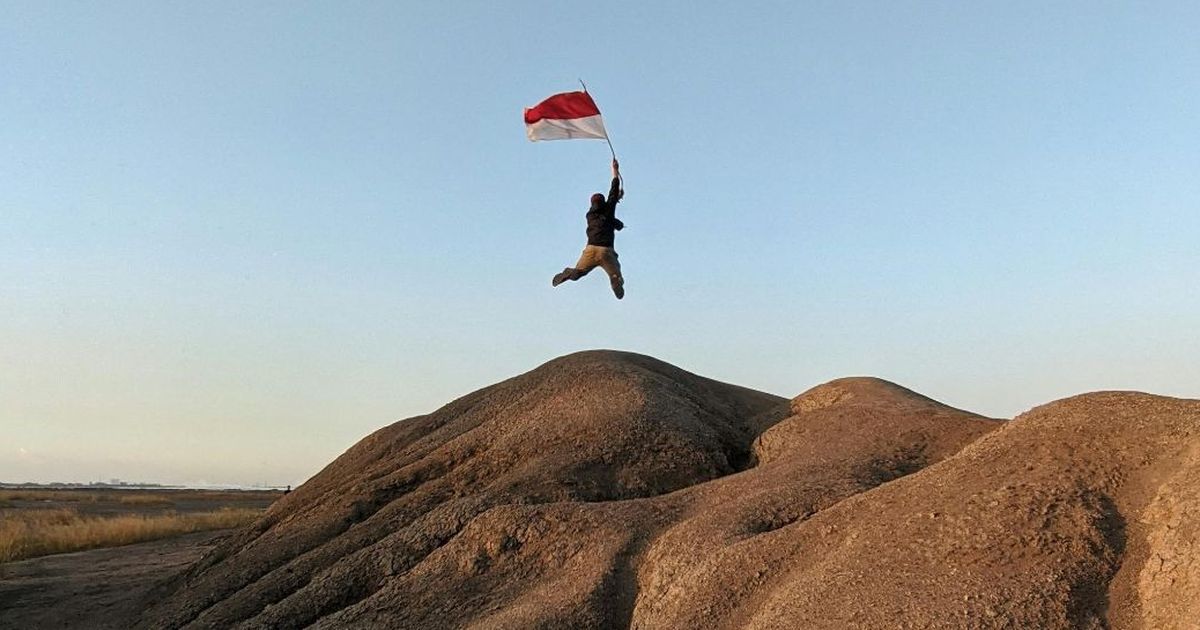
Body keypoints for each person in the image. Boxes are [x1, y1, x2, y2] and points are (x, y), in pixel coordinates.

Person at [552, 159, 626, 299]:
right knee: (615, 274)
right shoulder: (608, 211)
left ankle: (570, 273)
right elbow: (613, 191)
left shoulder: (590, 216)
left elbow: (610, 205)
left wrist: (615, 200)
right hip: (607, 252)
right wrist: (615, 171)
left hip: (590, 251)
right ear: (603, 203)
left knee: (578, 273)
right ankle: (616, 280)